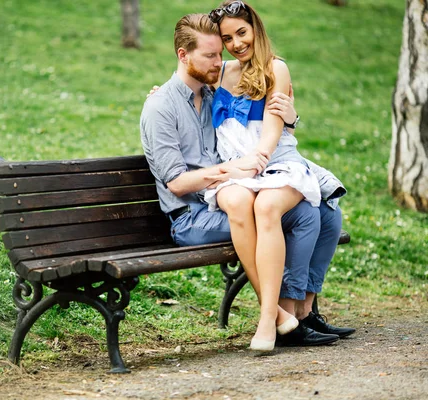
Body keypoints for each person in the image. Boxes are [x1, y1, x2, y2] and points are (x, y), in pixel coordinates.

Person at [140, 11, 354, 351]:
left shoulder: (208, 89)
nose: (220, 59)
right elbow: (178, 185)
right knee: (292, 213)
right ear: (184, 55)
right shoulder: (163, 106)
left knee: (325, 213)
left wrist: (292, 118)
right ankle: (280, 316)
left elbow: (251, 119)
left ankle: (302, 311)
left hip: (226, 193)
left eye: (220, 51)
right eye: (213, 53)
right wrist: (232, 170)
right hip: (192, 214)